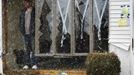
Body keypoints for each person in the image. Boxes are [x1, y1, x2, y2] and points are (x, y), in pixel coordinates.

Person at [19, 0, 37, 69]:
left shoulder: (35, 12)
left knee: (33, 49)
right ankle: (27, 64)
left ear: (30, 3)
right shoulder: (23, 11)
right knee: (26, 49)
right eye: (24, 2)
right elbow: (20, 22)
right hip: (25, 33)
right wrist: (21, 30)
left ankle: (34, 64)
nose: (25, 4)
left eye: (26, 2)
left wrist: (35, 30)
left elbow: (40, 21)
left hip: (32, 34)